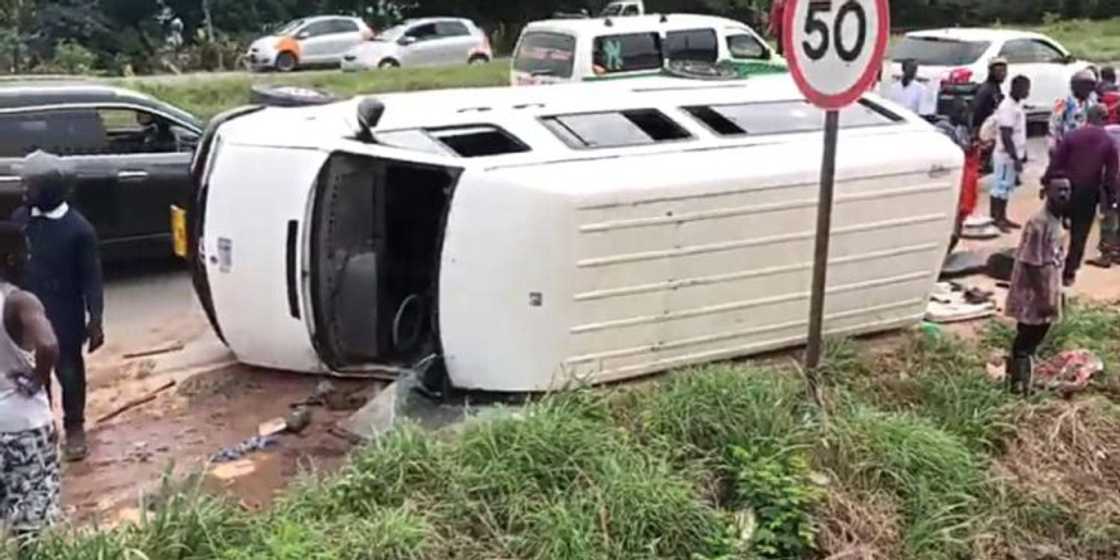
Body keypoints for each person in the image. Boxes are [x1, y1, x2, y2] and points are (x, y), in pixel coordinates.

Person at [11, 151, 104, 463]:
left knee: (69, 371)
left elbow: (92, 278)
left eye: (30, 185)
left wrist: (96, 319)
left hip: (64, 314)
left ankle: (74, 427)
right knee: (34, 374)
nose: (24, 190)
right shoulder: (22, 219)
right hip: (26, 315)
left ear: (51, 189)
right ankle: (45, 426)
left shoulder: (79, 230)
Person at [0, 221, 62, 547]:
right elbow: (48, 344)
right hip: (22, 426)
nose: (29, 256)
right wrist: (39, 377)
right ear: (10, 257)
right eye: (24, 250)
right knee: (32, 526)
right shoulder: (19, 301)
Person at [1005, 177, 1071, 396]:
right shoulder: (1038, 222)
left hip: (1046, 289)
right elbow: (1033, 265)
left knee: (1031, 339)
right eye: (1059, 190)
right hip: (1032, 294)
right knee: (1026, 340)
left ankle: (1019, 380)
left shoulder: (1057, 219)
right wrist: (1046, 300)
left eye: (1067, 190)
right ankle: (1018, 386)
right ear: (1046, 192)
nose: (1063, 195)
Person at [1042, 104, 1118, 286]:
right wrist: (1110, 197)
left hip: (1063, 191)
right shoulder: (1108, 141)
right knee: (1079, 235)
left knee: (1052, 229)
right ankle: (1069, 273)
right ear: (1105, 119)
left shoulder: (1072, 136)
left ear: (1087, 117)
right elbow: (1111, 174)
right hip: (1089, 193)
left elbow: (1056, 162)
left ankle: (1048, 266)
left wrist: (1046, 182)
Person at [991, 75, 1031, 233]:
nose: (1028, 92)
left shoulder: (1016, 105)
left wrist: (1023, 154)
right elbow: (1006, 135)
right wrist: (1015, 158)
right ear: (1016, 88)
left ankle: (1003, 217)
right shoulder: (1007, 107)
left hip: (1013, 154)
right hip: (1005, 155)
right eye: (1026, 88)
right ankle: (996, 219)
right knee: (999, 188)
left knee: (1006, 187)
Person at [1087, 123, 1120, 269]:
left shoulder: (1107, 132)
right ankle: (1117, 252)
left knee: (1107, 216)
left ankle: (1106, 255)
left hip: (1111, 180)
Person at [1049, 69, 1100, 151]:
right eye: (1086, 87)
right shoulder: (1062, 102)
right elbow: (1054, 124)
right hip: (1067, 144)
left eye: (1090, 87)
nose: (1089, 90)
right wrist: (1053, 145)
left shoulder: (1092, 101)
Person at [970, 58, 1008, 134]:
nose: (1002, 74)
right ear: (991, 72)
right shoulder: (987, 89)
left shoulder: (995, 87)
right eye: (998, 71)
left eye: (1004, 71)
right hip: (984, 129)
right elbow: (977, 112)